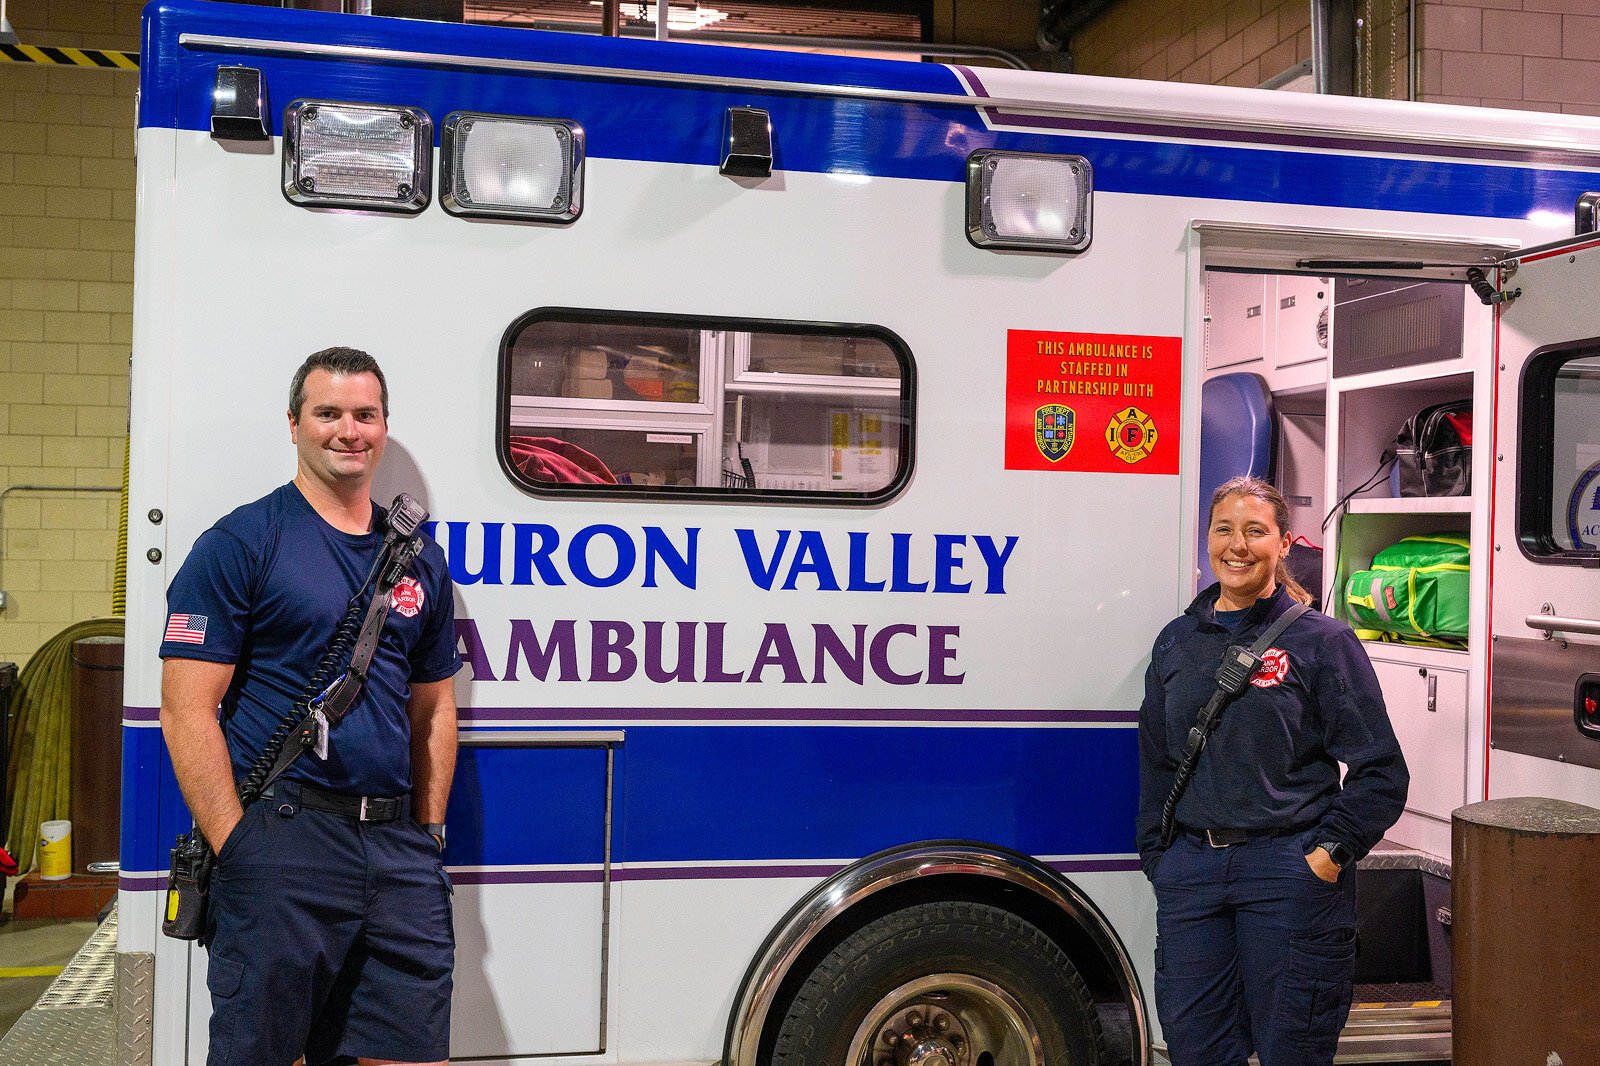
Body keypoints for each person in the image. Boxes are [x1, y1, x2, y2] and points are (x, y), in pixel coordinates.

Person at [159, 347, 460, 1066]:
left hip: (397, 853)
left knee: (413, 1055)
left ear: (384, 427)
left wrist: (429, 833)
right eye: (328, 413)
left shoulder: (419, 557)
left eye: (365, 414)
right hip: (285, 841)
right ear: (293, 424)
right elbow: (186, 711)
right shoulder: (240, 543)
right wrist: (240, 848)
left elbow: (435, 706)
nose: (348, 431)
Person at [1137, 475, 1409, 1066]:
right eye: (1224, 530)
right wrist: (1161, 856)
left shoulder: (1323, 642)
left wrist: (1328, 855)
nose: (1237, 545)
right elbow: (1157, 759)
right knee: (1197, 1050)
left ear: (1285, 543)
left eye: (1255, 531)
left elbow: (1381, 771)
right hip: (1193, 876)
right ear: (1208, 538)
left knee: (1294, 1050)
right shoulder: (1177, 641)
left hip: (1289, 873)